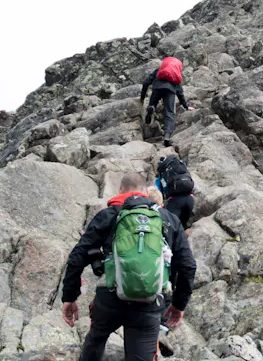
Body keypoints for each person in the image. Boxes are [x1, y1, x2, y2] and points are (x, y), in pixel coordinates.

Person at [60, 172, 196, 361]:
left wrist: (69, 296)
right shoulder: (168, 219)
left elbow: (77, 257)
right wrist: (178, 304)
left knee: (97, 338)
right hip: (149, 303)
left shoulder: (108, 215)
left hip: (109, 299)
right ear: (145, 193)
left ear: (120, 190)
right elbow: (188, 266)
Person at [141, 57, 196, 147]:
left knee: (152, 104)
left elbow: (146, 82)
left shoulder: (159, 71)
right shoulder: (175, 76)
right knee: (169, 113)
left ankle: (151, 109)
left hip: (157, 88)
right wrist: (186, 106)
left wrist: (142, 97)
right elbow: (180, 93)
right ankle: (167, 135)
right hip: (170, 91)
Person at [155, 154, 195, 231]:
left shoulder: (163, 176)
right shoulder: (183, 170)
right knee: (183, 226)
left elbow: (156, 192)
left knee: (170, 228)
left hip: (175, 201)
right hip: (190, 200)